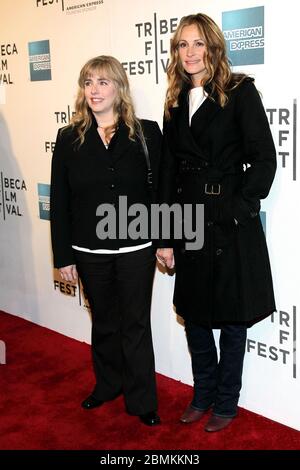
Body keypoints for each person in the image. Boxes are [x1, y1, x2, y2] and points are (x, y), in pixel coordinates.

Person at [156, 13, 276, 432]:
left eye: (197, 43)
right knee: (194, 313)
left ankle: (227, 400)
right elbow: (168, 172)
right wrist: (165, 235)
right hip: (188, 220)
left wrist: (239, 205)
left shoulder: (239, 92)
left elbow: (264, 158)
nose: (189, 52)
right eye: (182, 45)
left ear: (213, 47)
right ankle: (202, 393)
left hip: (229, 223)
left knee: (231, 315)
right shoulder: (174, 102)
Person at [50, 55, 162, 426]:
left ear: (119, 88)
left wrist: (164, 240)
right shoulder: (69, 138)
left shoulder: (146, 133)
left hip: (136, 248)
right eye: (88, 82)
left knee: (135, 323)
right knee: (104, 321)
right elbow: (61, 200)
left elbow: (159, 193)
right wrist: (62, 255)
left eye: (103, 82)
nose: (94, 90)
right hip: (88, 250)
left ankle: (142, 399)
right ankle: (107, 384)